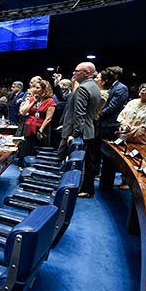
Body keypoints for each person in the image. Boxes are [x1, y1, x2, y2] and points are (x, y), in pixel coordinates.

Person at [58, 62, 102, 197]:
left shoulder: (83, 88)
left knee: (67, 159)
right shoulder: (94, 86)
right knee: (88, 161)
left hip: (78, 131)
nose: (73, 73)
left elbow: (79, 114)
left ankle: (66, 191)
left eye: (77, 71)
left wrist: (74, 134)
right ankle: (86, 189)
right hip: (89, 129)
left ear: (87, 73)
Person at [113, 82, 146, 189]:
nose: (143, 90)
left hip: (139, 138)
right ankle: (123, 180)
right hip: (124, 134)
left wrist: (138, 128)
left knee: (134, 161)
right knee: (123, 159)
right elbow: (121, 116)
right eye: (143, 87)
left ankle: (130, 183)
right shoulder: (133, 101)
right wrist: (123, 123)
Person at [97, 66, 129, 190]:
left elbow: (112, 107)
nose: (105, 75)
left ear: (116, 75)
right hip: (104, 124)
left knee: (108, 157)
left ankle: (106, 185)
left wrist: (97, 115)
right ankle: (104, 183)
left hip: (110, 125)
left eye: (109, 73)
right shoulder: (112, 87)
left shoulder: (121, 88)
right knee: (103, 155)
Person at [20, 80, 56, 166]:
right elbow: (23, 112)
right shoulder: (32, 98)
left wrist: (40, 130)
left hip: (42, 128)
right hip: (29, 126)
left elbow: (48, 118)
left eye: (38, 88)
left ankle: (38, 167)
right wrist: (33, 102)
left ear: (44, 89)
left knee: (39, 148)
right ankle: (24, 165)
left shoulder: (50, 101)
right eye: (35, 87)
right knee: (26, 147)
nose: (35, 89)